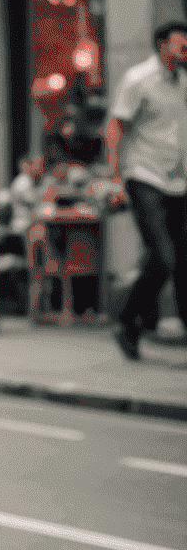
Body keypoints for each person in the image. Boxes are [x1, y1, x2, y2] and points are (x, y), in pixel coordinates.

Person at [105, 19, 187, 359]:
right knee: (164, 256)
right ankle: (127, 320)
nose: (186, 49)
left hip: (179, 180)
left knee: (181, 258)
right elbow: (114, 128)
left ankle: (142, 324)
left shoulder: (183, 81)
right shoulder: (138, 79)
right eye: (181, 44)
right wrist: (114, 179)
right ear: (162, 45)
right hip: (145, 177)